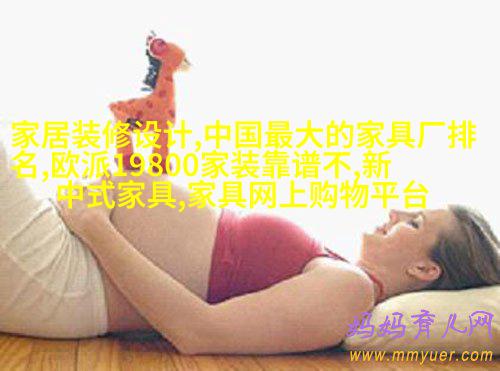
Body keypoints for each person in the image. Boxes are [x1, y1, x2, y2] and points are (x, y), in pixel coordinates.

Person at [0, 140, 499, 355]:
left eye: (415, 222)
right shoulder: (336, 272)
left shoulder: (350, 293)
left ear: (425, 270)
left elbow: (198, 332)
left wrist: (95, 226)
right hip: (66, 247)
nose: (395, 211)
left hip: (66, 275)